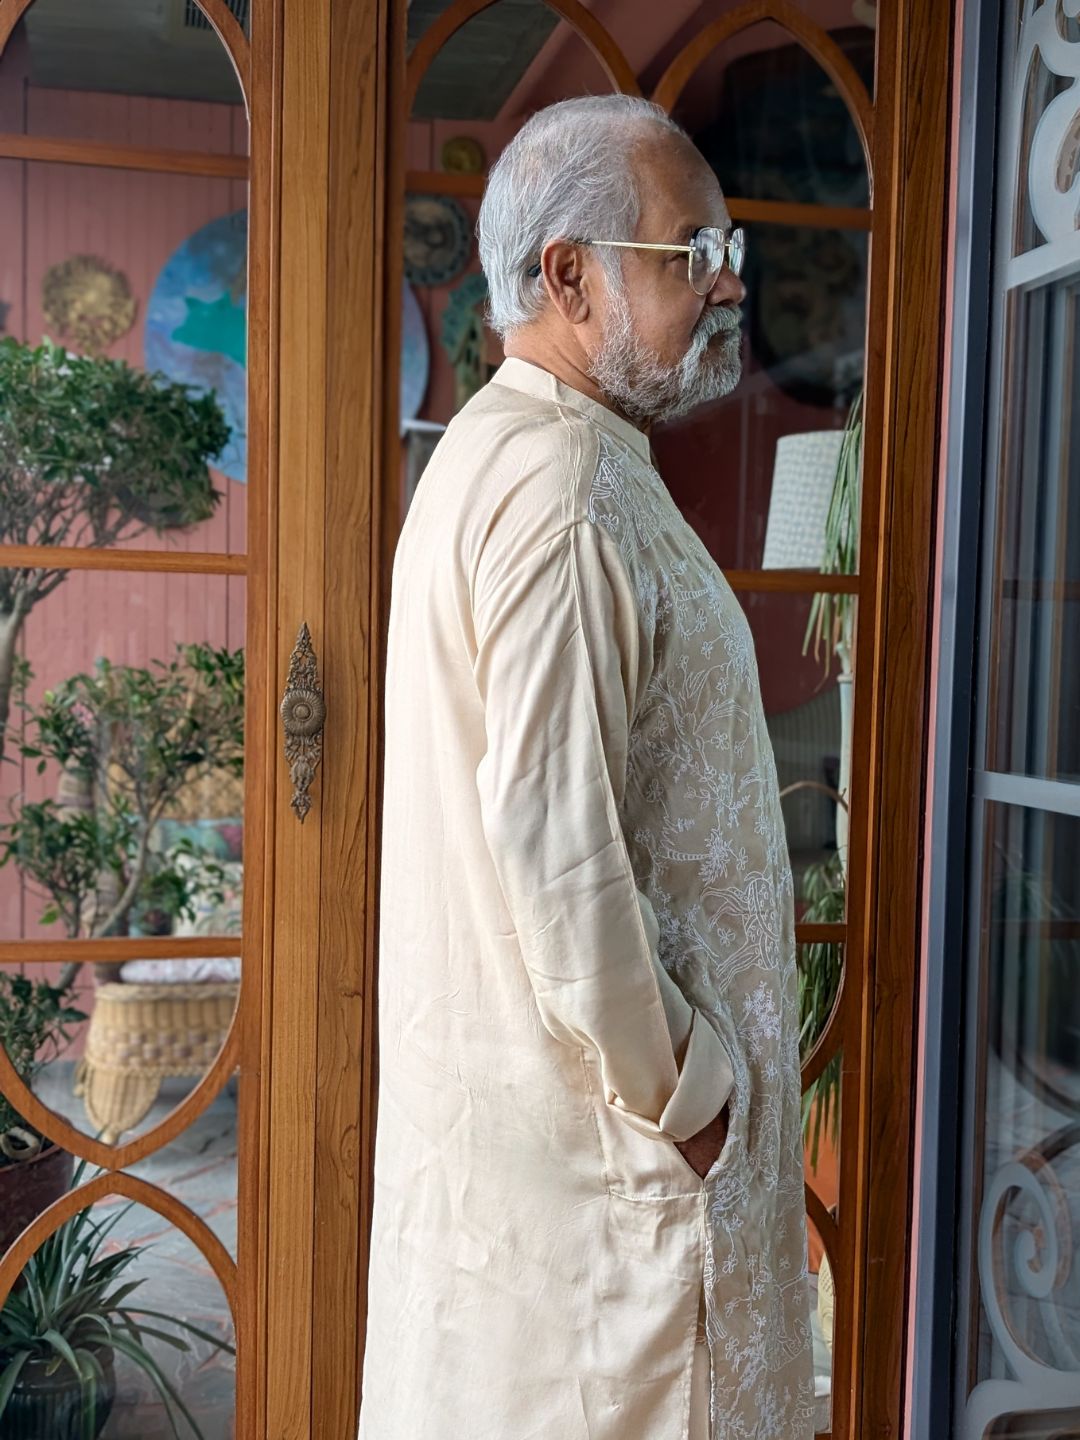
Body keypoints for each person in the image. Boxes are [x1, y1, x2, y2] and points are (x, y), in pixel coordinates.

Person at [360, 94, 814, 1440]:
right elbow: (558, 856)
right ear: (568, 276)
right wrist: (689, 1100)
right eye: (694, 250)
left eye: (729, 247)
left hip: (553, 1172)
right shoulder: (560, 491)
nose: (729, 283)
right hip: (615, 1194)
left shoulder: (520, 452)